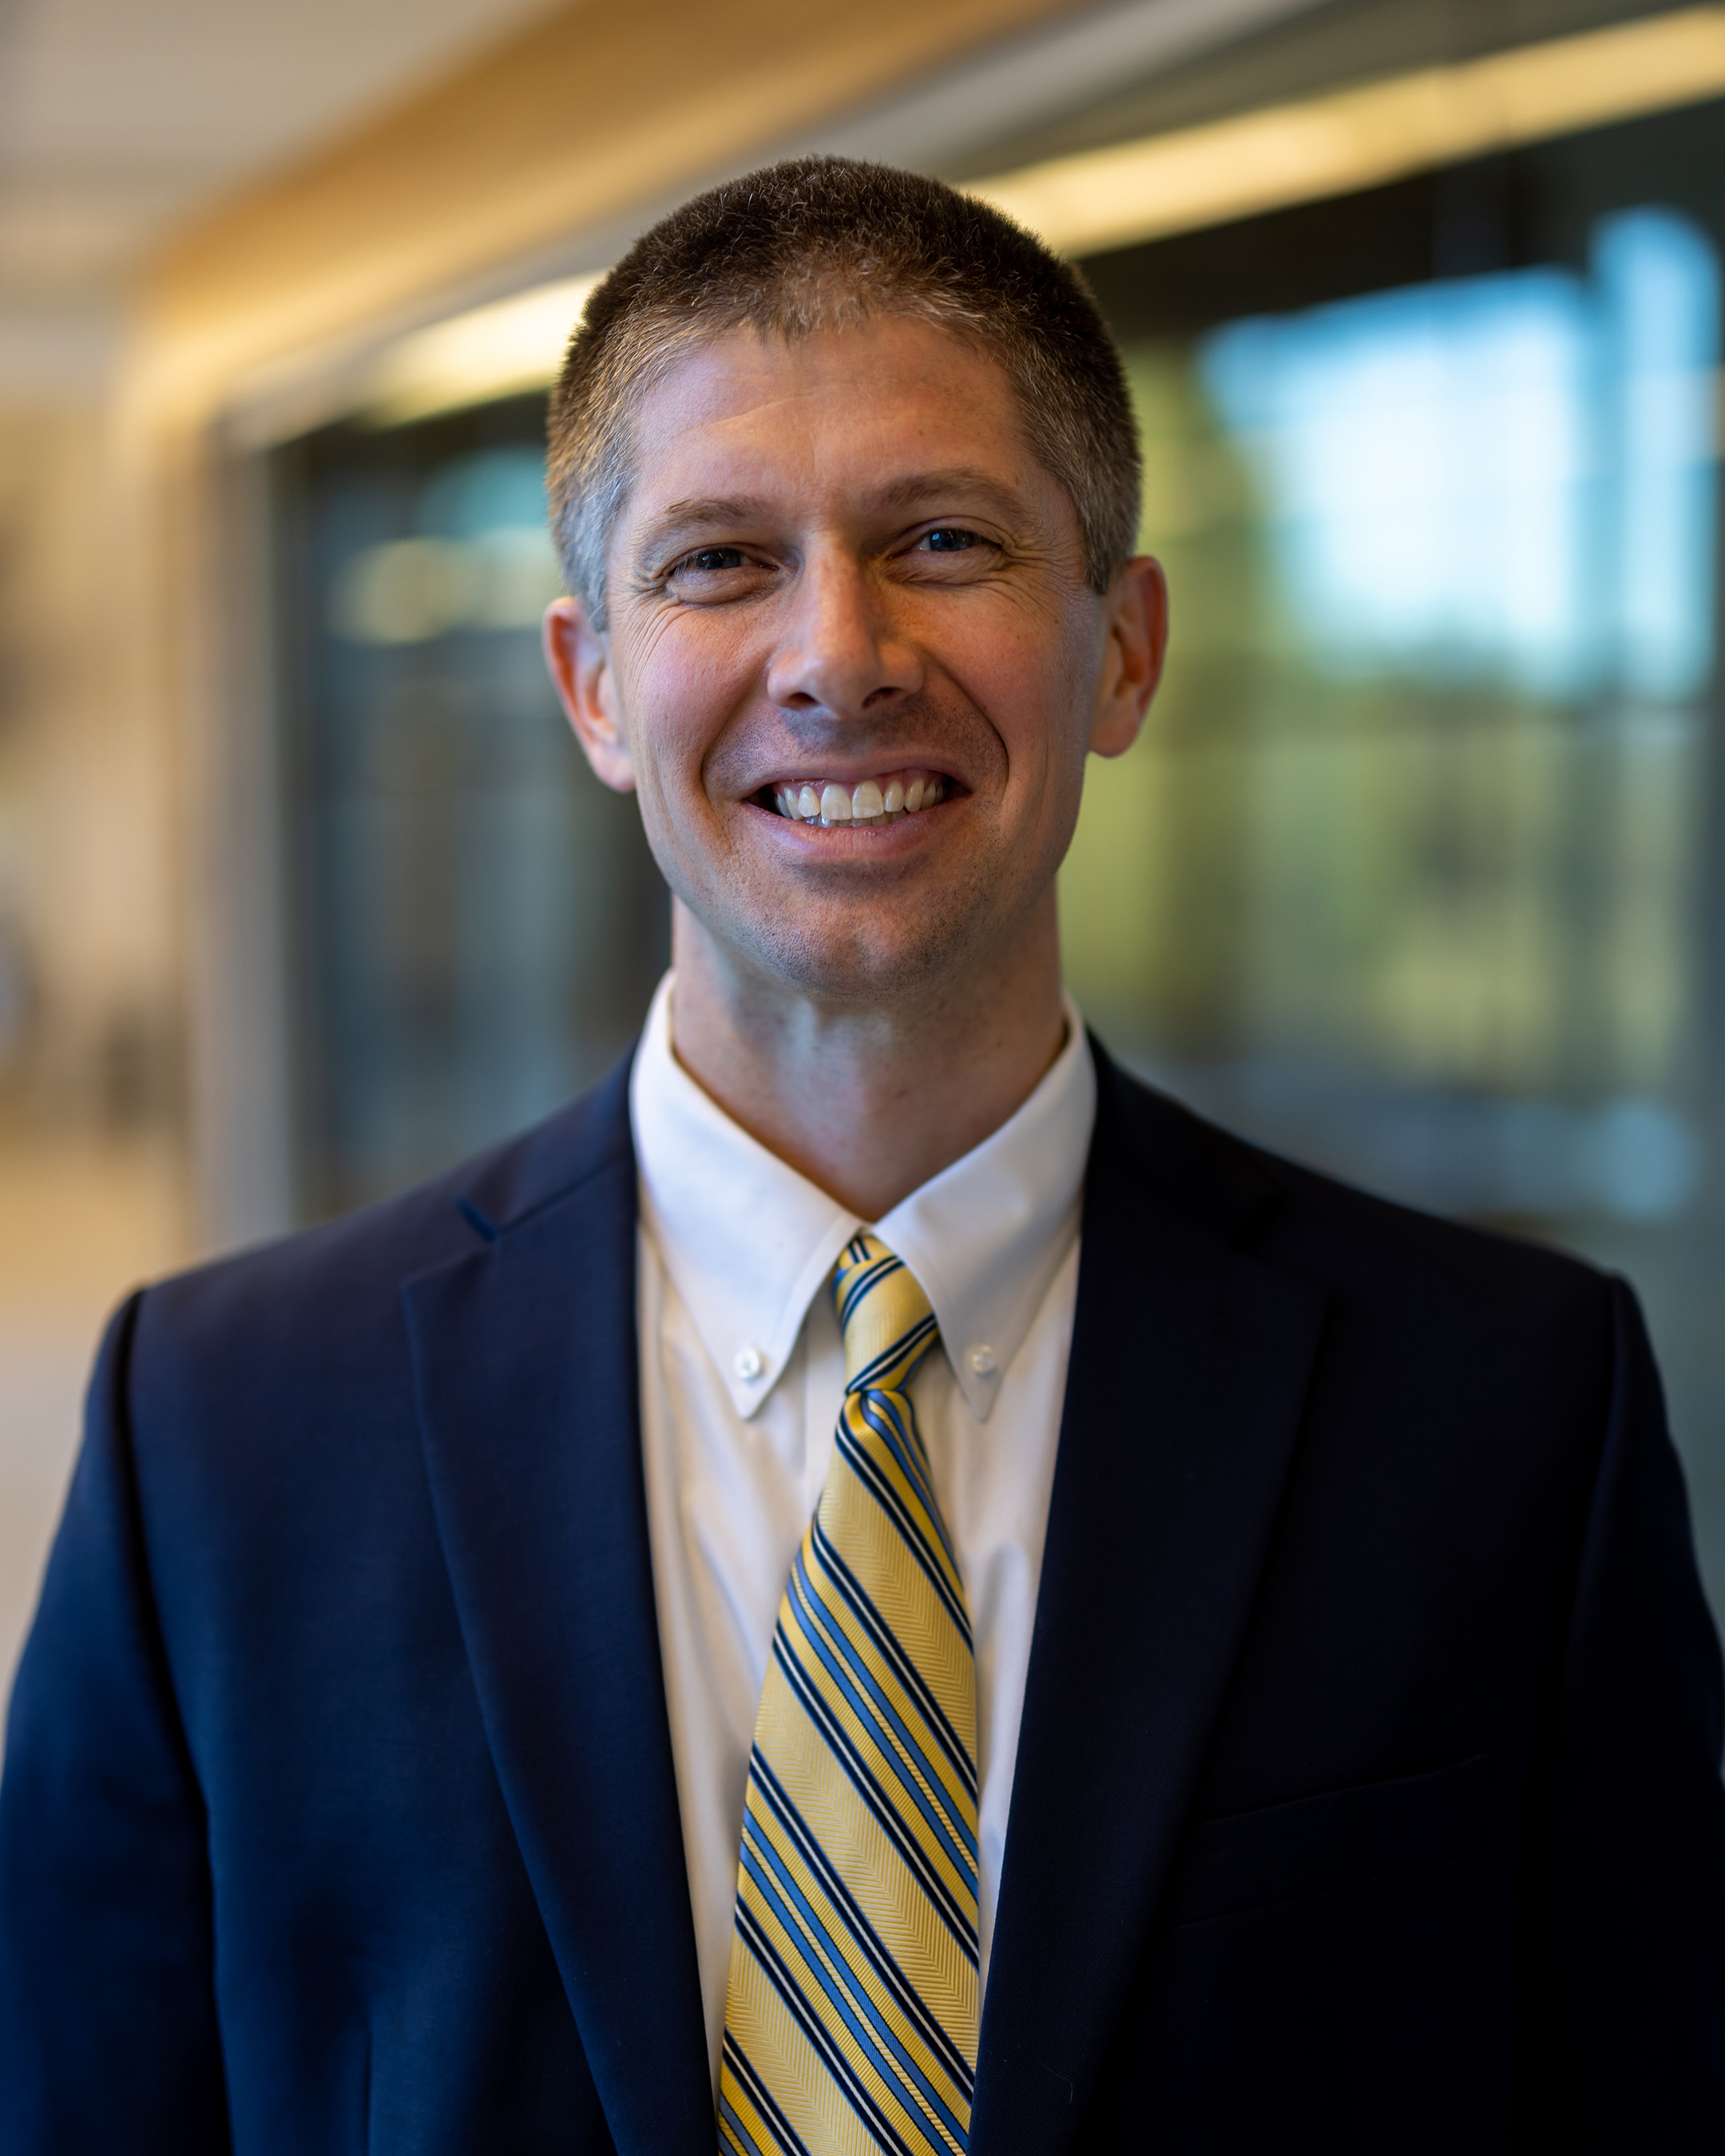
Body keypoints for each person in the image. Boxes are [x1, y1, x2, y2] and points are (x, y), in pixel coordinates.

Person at [2, 155, 1723, 2156]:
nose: (840, 651)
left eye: (944, 538)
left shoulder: (1508, 1410)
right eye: (720, 561)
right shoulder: (215, 1437)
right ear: (591, 688)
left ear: (1126, 650)